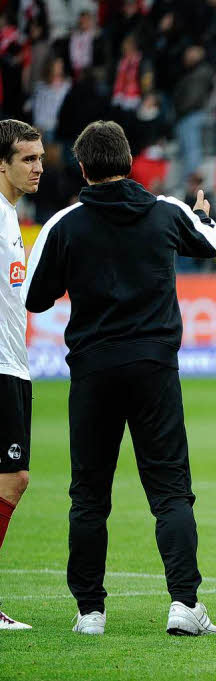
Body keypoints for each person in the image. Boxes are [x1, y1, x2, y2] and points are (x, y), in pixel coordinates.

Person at [21, 121, 216, 637]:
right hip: (154, 366)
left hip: (93, 369)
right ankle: (184, 605)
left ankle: (90, 612)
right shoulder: (165, 211)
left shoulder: (65, 225)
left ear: (84, 168)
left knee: (89, 493)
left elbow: (35, 298)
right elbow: (210, 245)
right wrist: (202, 213)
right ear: (130, 162)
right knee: (171, 490)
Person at [0, 120, 43, 632]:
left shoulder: (12, 216)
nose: (37, 166)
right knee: (13, 478)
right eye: (27, 158)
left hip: (14, 364)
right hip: (2, 368)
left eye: (40, 156)